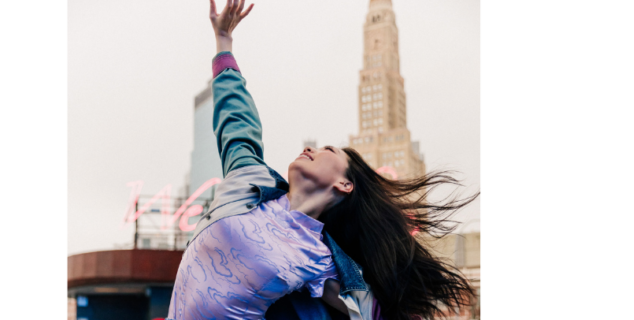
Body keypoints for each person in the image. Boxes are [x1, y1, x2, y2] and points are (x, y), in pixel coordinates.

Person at [167, 1, 477, 319]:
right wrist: (223, 42)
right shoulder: (249, 179)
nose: (312, 150)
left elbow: (367, 312)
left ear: (345, 183)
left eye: (327, 151)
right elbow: (236, 121)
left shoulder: (319, 258)